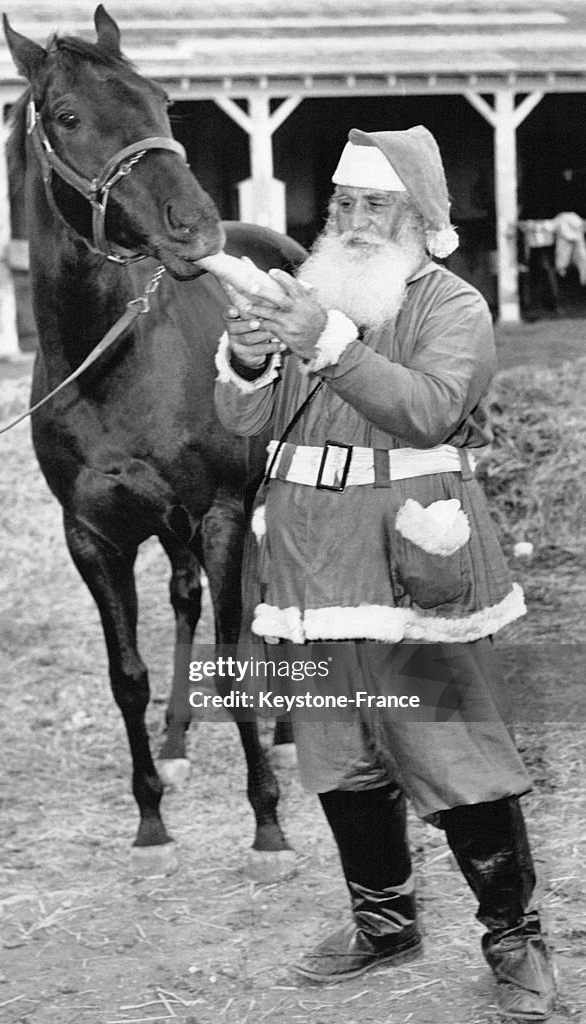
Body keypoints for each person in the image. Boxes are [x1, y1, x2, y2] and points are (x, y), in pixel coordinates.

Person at [213, 125, 557, 1020]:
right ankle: (383, 920)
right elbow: (245, 418)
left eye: (376, 205)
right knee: (338, 754)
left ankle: (515, 941)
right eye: (344, 205)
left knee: (452, 753)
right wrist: (251, 354)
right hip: (304, 558)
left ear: (418, 217)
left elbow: (429, 410)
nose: (355, 221)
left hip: (408, 558)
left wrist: (324, 338)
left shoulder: (452, 305)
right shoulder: (311, 292)